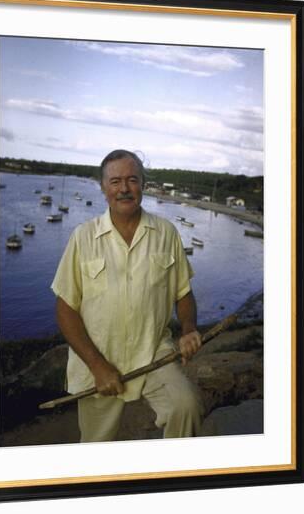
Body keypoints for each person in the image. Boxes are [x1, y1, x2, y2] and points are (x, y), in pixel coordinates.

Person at [51, 149, 204, 442]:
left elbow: (183, 292)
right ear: (103, 187)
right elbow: (65, 309)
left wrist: (188, 329)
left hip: (153, 352)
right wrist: (97, 365)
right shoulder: (83, 237)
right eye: (116, 181)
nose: (124, 189)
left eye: (132, 180)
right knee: (96, 446)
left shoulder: (167, 233)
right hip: (99, 362)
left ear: (143, 184)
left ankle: (179, 480)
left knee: (186, 408)